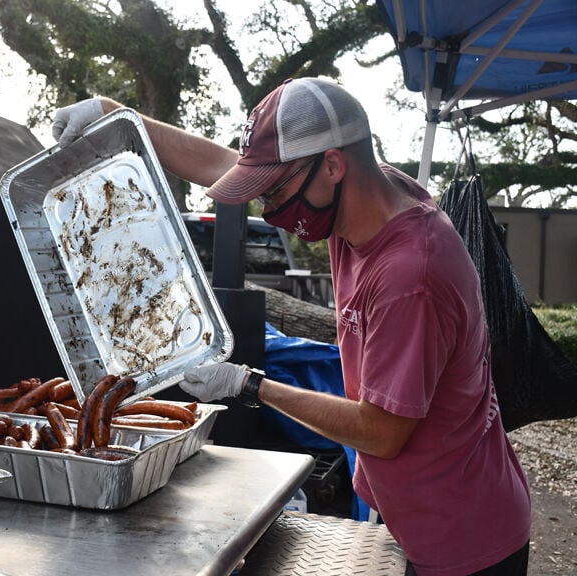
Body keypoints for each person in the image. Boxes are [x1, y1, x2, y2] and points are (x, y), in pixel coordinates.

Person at [51, 77, 531, 576]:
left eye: (275, 191)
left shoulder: (412, 275)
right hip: (418, 512)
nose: (268, 209)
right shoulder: (363, 192)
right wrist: (114, 113)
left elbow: (382, 432)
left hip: (465, 540)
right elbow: (221, 165)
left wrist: (248, 383)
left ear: (332, 165)